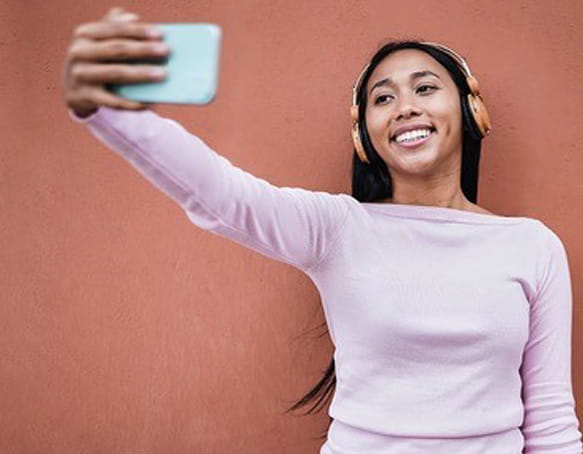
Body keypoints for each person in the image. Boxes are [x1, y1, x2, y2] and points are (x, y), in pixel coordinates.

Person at [62, 7, 583, 453]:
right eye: (382, 99)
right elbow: (224, 198)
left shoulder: (532, 246)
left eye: (425, 88)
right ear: (365, 135)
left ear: (471, 109)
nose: (405, 107)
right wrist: (109, 113)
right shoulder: (338, 228)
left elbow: (551, 419)